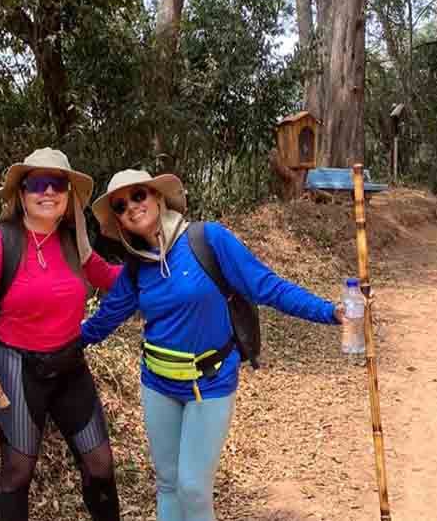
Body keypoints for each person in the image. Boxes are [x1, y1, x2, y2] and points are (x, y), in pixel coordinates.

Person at [80, 169, 345, 521]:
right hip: (157, 384)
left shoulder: (208, 240)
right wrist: (60, 346)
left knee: (192, 486)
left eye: (139, 195)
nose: (132, 206)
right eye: (120, 204)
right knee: (168, 483)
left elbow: (268, 286)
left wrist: (330, 312)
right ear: (119, 221)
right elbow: (105, 319)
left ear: (158, 198)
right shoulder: (135, 269)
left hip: (210, 382)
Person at [0, 148, 122, 521]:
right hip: (16, 368)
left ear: (68, 197)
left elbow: (111, 278)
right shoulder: (1, 242)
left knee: (100, 463)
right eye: (38, 184)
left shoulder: (74, 241)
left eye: (58, 184)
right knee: (18, 469)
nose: (48, 192)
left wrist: (157, 264)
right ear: (21, 194)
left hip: (69, 364)